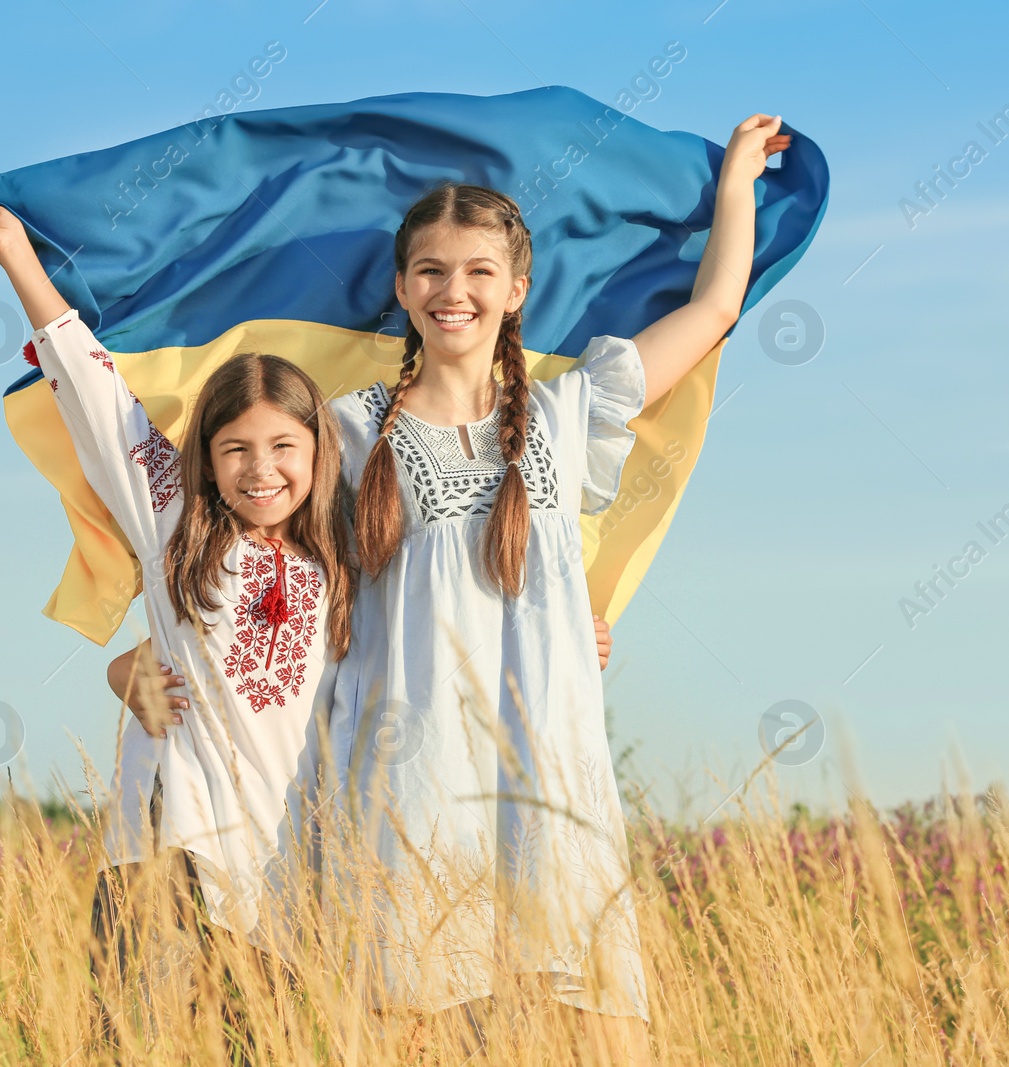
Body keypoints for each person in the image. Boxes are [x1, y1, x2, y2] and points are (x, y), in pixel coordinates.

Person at [326, 113, 790, 1063]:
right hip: (410, 765)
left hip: (550, 760)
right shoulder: (344, 427)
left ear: (516, 289)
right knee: (405, 1022)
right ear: (403, 288)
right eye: (432, 271)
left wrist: (736, 181)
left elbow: (711, 313)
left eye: (478, 271)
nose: (454, 290)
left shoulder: (573, 405)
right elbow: (252, 541)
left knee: (600, 1020)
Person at [0, 190, 355, 1048]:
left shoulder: (348, 566)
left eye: (284, 446)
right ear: (204, 459)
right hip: (163, 854)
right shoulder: (175, 519)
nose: (261, 469)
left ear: (319, 451)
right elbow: (96, 399)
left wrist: (577, 627)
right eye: (235, 448)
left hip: (284, 876)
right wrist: (17, 258)